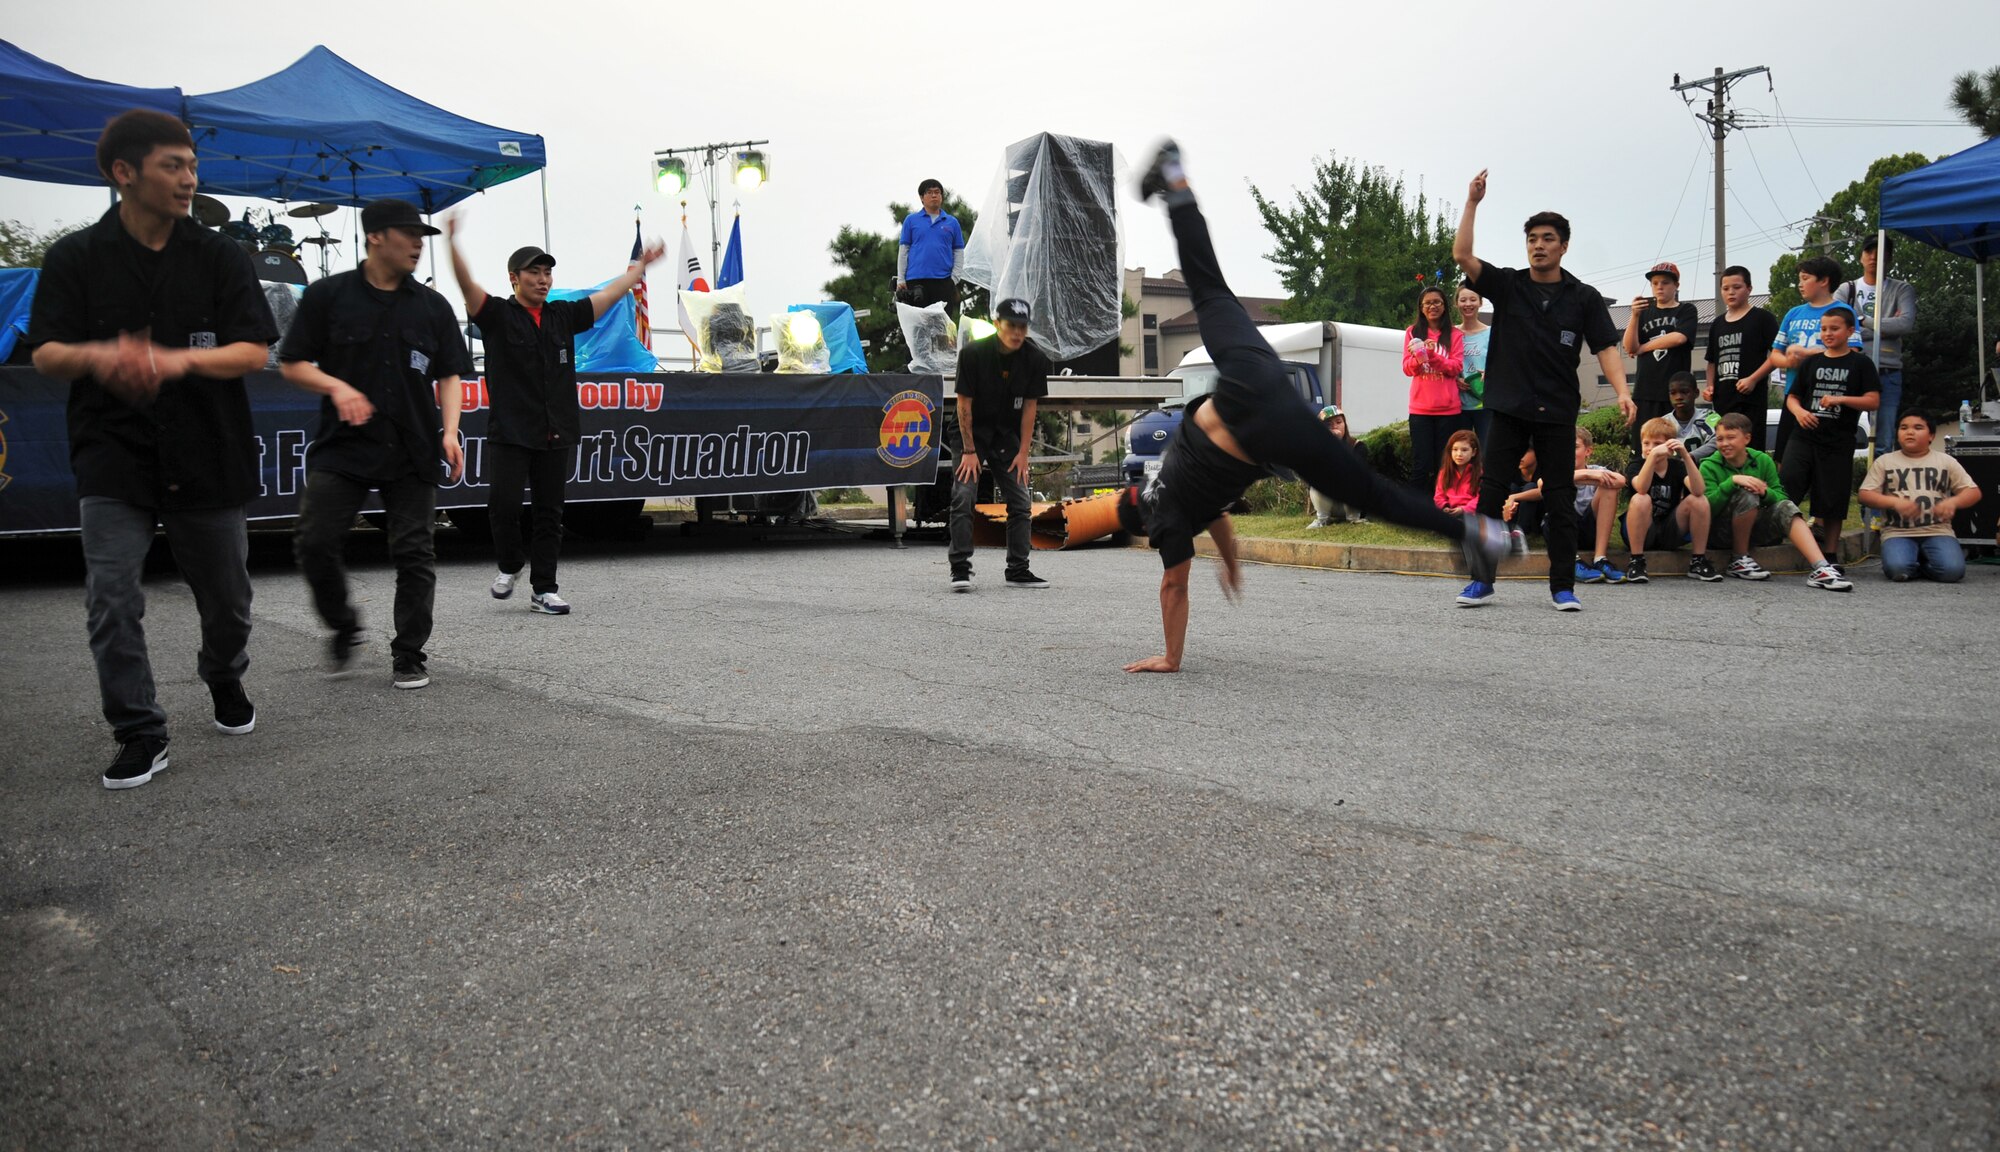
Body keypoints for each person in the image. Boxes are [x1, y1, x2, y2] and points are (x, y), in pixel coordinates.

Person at [1116, 141, 1506, 672]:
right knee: (1208, 290)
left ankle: (1473, 533)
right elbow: (1219, 520)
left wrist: (1170, 656)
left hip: (1269, 428)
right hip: (1254, 375)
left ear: (1142, 523)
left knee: (1371, 492)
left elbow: (1173, 585)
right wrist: (1231, 563)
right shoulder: (1168, 488)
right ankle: (1176, 184)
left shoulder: (1164, 519)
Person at [26, 109, 279, 790]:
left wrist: (175, 362)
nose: (189, 179)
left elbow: (253, 349)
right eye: (174, 166)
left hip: (208, 451)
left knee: (228, 601)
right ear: (124, 172)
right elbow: (46, 353)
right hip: (114, 453)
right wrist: (102, 356)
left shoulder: (220, 256)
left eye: (193, 166)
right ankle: (139, 730)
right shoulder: (76, 256)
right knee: (111, 599)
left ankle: (223, 674)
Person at [280, 199, 471, 689]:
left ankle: (409, 653)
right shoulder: (328, 295)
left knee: (415, 554)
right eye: (409, 235)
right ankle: (344, 626)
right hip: (344, 445)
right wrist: (337, 388)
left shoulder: (432, 306)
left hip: (412, 446)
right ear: (375, 237)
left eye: (422, 237)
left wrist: (450, 431)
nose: (418, 245)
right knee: (314, 541)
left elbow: (450, 373)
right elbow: (292, 363)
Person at [443, 216, 664, 616]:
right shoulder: (496, 315)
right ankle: (510, 564)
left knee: (550, 513)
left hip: (556, 430)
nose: (543, 280)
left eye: (547, 273)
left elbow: (609, 295)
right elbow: (465, 284)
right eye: (534, 272)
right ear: (514, 278)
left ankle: (544, 589)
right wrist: (452, 241)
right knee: (504, 507)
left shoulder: (563, 315)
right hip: (511, 432)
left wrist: (639, 268)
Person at [1453, 168, 1637, 611]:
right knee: (1491, 494)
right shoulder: (1508, 285)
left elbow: (1606, 347)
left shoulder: (1584, 297)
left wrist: (1622, 391)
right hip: (1508, 406)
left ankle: (1563, 587)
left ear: (1564, 246)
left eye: (1548, 238)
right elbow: (1462, 255)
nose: (1539, 245)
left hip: (1556, 410)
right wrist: (1472, 202)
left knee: (1560, 497)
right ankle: (1481, 581)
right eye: (1532, 238)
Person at [948, 296, 1051, 591]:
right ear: (997, 324)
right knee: (964, 495)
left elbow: (1030, 408)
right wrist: (969, 451)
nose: (1017, 332)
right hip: (971, 433)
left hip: (1005, 435)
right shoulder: (973, 354)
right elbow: (963, 404)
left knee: (1020, 499)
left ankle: (1018, 569)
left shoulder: (1034, 359)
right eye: (1011, 325)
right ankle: (960, 568)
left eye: (1022, 327)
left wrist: (1023, 453)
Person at [1697, 412, 1853, 590]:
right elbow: (1707, 508)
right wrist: (1731, 483)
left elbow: (1781, 496)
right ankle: (1739, 559)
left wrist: (1764, 492)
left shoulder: (1762, 460)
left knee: (1787, 507)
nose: (1724, 443)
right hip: (1719, 533)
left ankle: (1821, 568)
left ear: (1747, 438)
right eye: (1720, 439)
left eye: (1731, 437)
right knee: (1746, 494)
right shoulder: (1708, 465)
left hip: (1755, 529)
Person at [1780, 304, 1878, 559]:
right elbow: (1793, 397)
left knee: (1832, 499)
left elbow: (1873, 400)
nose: (1827, 333)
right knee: (1788, 484)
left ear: (1850, 331)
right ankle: (1777, 537)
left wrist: (1840, 399)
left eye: (1834, 328)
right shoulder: (1811, 362)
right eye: (1823, 329)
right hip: (1803, 437)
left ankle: (1831, 555)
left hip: (1838, 440)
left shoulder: (1861, 363)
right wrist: (1799, 413)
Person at [1857, 410, 1981, 582]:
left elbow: (1973, 492)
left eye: (1918, 428)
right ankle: (1912, 562)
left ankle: (1922, 564)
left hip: (1938, 530)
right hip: (1897, 532)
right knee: (1897, 569)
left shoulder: (1945, 461)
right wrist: (1893, 502)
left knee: (1953, 572)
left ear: (1931, 436)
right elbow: (1865, 495)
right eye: (1903, 428)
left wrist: (1953, 502)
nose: (1909, 432)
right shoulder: (1885, 461)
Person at [1768, 255, 1862, 461]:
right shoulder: (1793, 313)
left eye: (1805, 278)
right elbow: (1775, 355)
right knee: (1785, 458)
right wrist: (1789, 362)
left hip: (1830, 396)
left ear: (1824, 281)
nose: (1800, 285)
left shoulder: (1844, 312)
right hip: (1795, 394)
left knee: (1825, 460)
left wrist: (1806, 354)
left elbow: (1852, 353)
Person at [1837, 234, 1916, 456]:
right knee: (1843, 433)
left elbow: (1905, 324)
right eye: (1868, 251)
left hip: (1887, 370)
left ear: (1889, 257)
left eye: (1880, 252)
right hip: (1851, 370)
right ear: (1861, 256)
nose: (1873, 257)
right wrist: (1884, 327)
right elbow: (1837, 327)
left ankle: (1881, 478)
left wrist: (1862, 321)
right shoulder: (1846, 290)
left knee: (1884, 439)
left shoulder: (1902, 289)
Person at [1621, 416, 1718, 583]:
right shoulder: (1636, 465)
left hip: (1669, 529)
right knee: (1640, 499)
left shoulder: (1677, 466)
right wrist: (1652, 458)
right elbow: (1641, 488)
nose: (1650, 448)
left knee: (1699, 500)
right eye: (1646, 443)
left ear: (1670, 447)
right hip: (1641, 532)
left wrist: (1685, 456)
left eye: (1657, 444)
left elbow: (1699, 490)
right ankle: (1636, 561)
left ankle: (1698, 561)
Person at [1622, 261, 1698, 452]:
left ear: (1676, 285)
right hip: (1645, 389)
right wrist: (1634, 316)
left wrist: (1644, 347)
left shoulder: (1686, 310)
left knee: (1672, 444)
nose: (1659, 287)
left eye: (1665, 282)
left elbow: (1679, 337)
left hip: (1675, 391)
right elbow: (1629, 346)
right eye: (1655, 283)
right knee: (1643, 445)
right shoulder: (1644, 313)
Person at [1705, 266, 1779, 452]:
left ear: (1749, 289)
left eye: (1736, 287)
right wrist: (1710, 386)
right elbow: (1712, 361)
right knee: (1724, 449)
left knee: (1750, 451)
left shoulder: (1763, 318)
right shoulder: (1717, 324)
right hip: (1723, 400)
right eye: (1725, 288)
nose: (1731, 292)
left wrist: (1753, 379)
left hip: (1750, 400)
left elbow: (1777, 355)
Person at [1403, 285, 1465, 496]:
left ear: (1445, 306)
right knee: (1421, 463)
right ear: (1421, 308)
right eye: (1427, 303)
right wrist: (1420, 356)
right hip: (1420, 409)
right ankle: (1415, 508)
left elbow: (1456, 367)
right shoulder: (1412, 332)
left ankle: (1443, 506)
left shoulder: (1455, 334)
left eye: (1437, 302)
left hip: (1449, 410)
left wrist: (1433, 355)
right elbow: (1407, 369)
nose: (1432, 306)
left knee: (1444, 463)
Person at [896, 178, 966, 315]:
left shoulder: (952, 222)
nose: (934, 195)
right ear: (922, 197)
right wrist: (901, 279)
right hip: (915, 280)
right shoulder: (911, 220)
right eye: (929, 192)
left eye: (937, 192)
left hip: (943, 281)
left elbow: (958, 251)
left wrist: (954, 278)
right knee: (918, 323)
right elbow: (904, 251)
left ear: (942, 196)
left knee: (943, 323)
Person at [1570, 426, 1627, 585]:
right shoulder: (1556, 469)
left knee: (1609, 487)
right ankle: (1571, 561)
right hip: (1562, 531)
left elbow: (1620, 481)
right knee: (1556, 489)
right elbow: (1543, 483)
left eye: (1575, 447)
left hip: (1590, 529)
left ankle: (1600, 559)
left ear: (1588, 451)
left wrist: (1587, 475)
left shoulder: (1597, 470)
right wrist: (1587, 475)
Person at [1306, 405, 1369, 527]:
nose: (1335, 426)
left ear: (1345, 424)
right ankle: (1322, 519)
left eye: (1339, 422)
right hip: (1330, 504)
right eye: (1329, 424)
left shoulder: (1358, 446)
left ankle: (1354, 518)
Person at [1456, 284, 1491, 448]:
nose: (1468, 304)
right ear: (1456, 303)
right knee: (1460, 453)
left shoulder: (1491, 333)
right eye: (1463, 300)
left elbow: (1503, 363)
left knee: (1485, 452)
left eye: (1473, 299)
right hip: (1457, 406)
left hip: (1485, 404)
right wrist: (1455, 379)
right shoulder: (1451, 333)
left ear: (1480, 302)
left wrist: (1490, 373)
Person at [1667, 371, 1716, 463]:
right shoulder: (1662, 422)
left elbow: (1718, 440)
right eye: (1673, 393)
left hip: (1704, 469)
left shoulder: (1710, 416)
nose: (1678, 397)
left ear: (1696, 393)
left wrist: (1690, 456)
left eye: (1684, 392)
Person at [1501, 446, 1541, 555]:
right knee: (1512, 487)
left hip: (1537, 517)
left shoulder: (1542, 469)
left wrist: (1514, 497)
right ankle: (1507, 531)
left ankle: (1519, 533)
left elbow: (1542, 492)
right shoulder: (1512, 469)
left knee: (1531, 487)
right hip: (1513, 515)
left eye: (1525, 451)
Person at [1434, 429, 1481, 514]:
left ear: (1474, 452)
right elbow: (1439, 496)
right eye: (1455, 449)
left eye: (1464, 450)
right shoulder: (1444, 472)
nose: (1459, 454)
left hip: (1472, 514)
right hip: (1449, 512)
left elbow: (1480, 497)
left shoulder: (1479, 473)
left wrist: (1464, 509)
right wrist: (1445, 507)